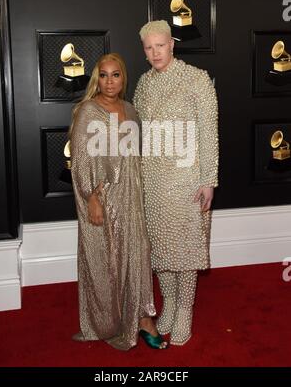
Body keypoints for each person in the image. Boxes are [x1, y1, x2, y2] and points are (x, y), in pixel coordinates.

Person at [70, 52, 168, 350]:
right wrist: (92, 198)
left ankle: (142, 318)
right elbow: (82, 160)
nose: (109, 81)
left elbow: (137, 155)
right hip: (105, 194)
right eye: (103, 75)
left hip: (132, 193)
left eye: (115, 75)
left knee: (137, 252)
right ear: (96, 79)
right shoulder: (88, 111)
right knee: (107, 257)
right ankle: (111, 321)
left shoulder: (131, 109)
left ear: (123, 78)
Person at [133, 20, 218, 346]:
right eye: (148, 47)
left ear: (172, 44)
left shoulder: (196, 79)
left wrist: (208, 179)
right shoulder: (143, 83)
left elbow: (209, 132)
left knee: (185, 249)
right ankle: (167, 303)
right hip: (152, 176)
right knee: (160, 248)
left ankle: (185, 310)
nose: (155, 53)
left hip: (187, 177)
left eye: (160, 45)